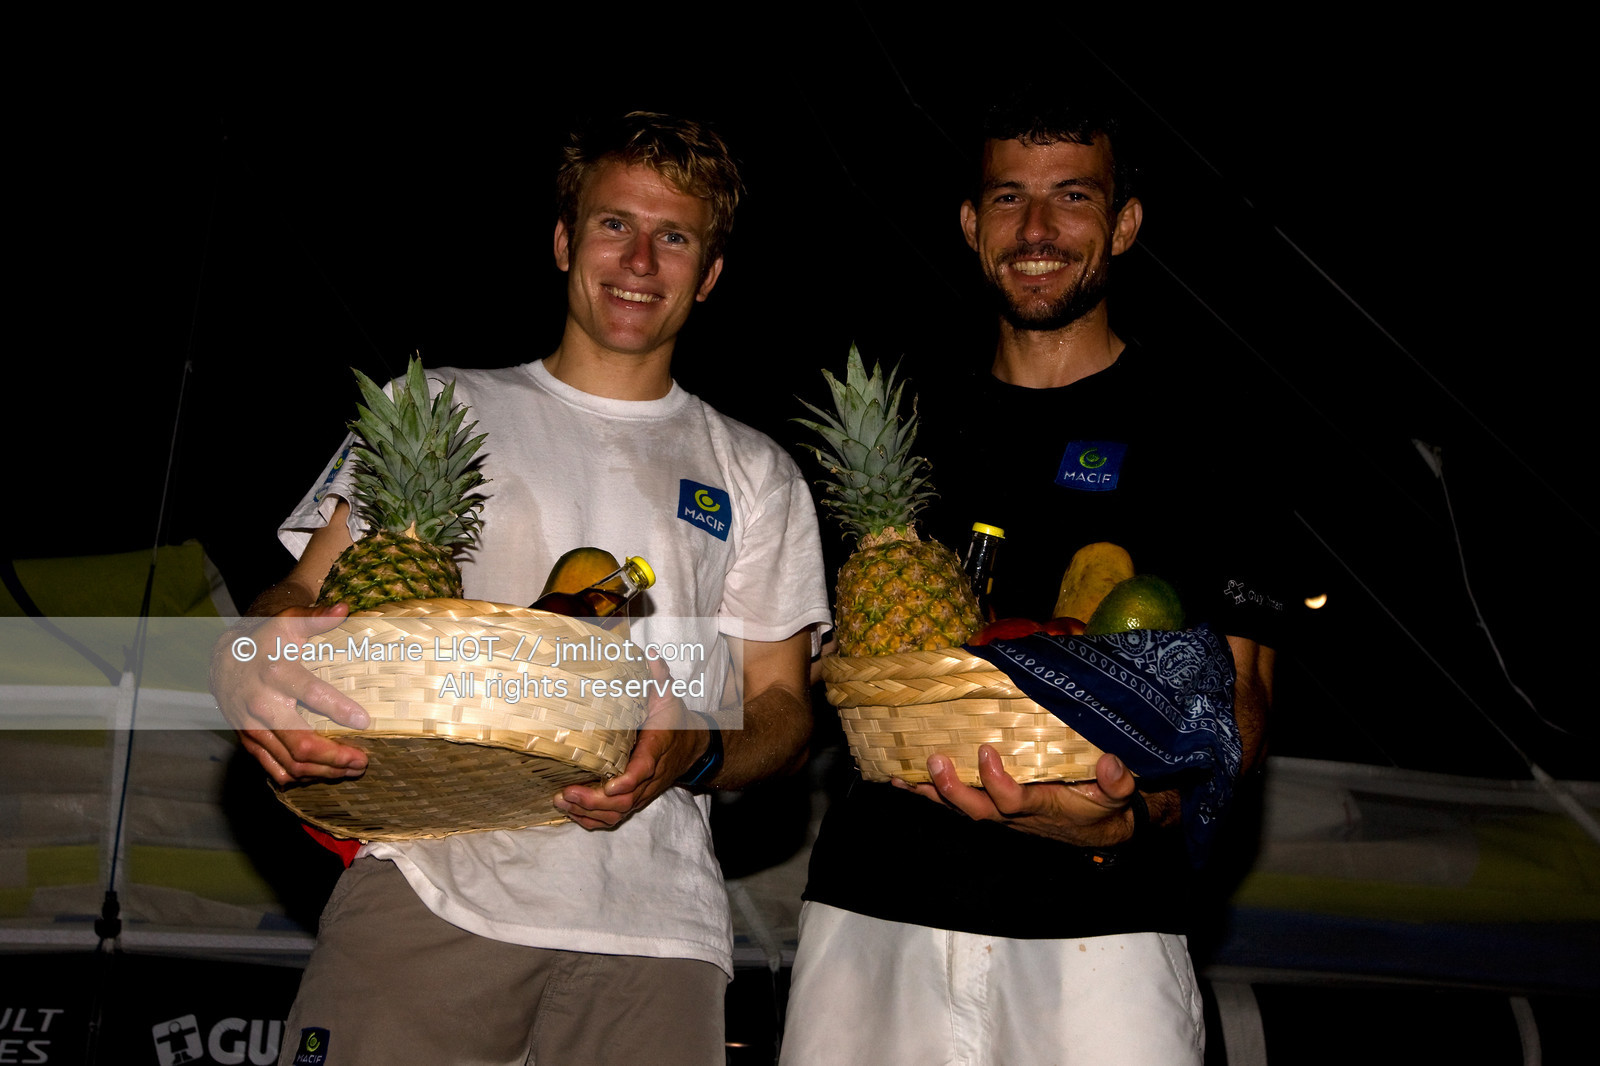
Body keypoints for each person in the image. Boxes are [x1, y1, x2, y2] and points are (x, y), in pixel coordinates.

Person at [210, 112, 832, 1066]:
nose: (639, 259)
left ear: (709, 275)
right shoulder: (440, 407)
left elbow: (783, 708)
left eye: (675, 237)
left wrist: (694, 751)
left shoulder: (756, 471)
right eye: (614, 224)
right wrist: (252, 664)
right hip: (428, 883)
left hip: (658, 932)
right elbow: (294, 599)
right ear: (562, 241)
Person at [780, 94, 1284, 1066]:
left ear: (1124, 223)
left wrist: (1126, 816)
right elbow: (817, 658)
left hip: (1105, 934)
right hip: (874, 916)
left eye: (1072, 197)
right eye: (1008, 197)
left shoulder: (1213, 434)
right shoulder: (900, 430)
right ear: (971, 226)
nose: (1037, 230)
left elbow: (1243, 696)